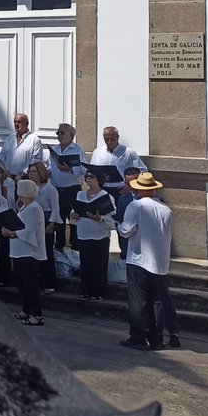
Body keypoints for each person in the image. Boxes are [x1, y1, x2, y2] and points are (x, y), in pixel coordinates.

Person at [118, 172, 175, 351]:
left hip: (139, 258)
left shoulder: (136, 206)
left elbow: (127, 230)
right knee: (157, 301)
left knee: (138, 300)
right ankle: (156, 338)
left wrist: (117, 226)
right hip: (160, 261)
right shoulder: (166, 209)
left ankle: (138, 336)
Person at [90, 127, 147, 258]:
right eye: (106, 139)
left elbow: (142, 171)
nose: (109, 142)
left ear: (118, 137)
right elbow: (92, 170)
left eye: (112, 139)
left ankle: (125, 254)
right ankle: (101, 252)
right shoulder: (98, 152)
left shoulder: (128, 153)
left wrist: (130, 186)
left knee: (122, 222)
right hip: (103, 191)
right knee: (102, 220)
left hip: (121, 191)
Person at [2, 179, 46, 326]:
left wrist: (12, 233)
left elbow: (29, 230)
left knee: (30, 284)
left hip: (28, 252)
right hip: (19, 251)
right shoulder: (24, 207)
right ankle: (26, 309)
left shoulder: (34, 208)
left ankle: (37, 314)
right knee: (22, 284)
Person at [72, 170, 116, 301]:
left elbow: (113, 219)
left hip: (100, 235)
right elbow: (75, 209)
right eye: (86, 176)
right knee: (85, 264)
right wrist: (73, 214)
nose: (88, 178)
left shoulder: (106, 196)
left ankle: (97, 292)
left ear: (98, 179)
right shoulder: (80, 194)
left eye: (91, 176)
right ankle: (85, 290)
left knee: (99, 264)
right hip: (83, 234)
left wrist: (100, 218)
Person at [47, 123, 85, 251]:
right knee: (59, 218)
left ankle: (75, 248)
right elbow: (49, 165)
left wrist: (69, 169)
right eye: (58, 133)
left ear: (72, 135)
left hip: (72, 189)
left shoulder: (77, 150)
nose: (59, 135)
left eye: (62, 132)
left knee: (74, 219)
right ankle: (59, 246)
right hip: (57, 189)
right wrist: (48, 171)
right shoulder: (55, 149)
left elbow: (84, 170)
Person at [29, 162, 61, 293]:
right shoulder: (29, 188)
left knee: (46, 252)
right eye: (30, 172)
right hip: (32, 221)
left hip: (46, 221)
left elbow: (55, 208)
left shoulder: (50, 189)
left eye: (34, 172)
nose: (31, 174)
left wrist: (52, 224)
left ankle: (49, 282)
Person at [0, 161, 17, 287]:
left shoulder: (9, 183)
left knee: (4, 248)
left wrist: (1, 189)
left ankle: (5, 276)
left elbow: (10, 202)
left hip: (4, 217)